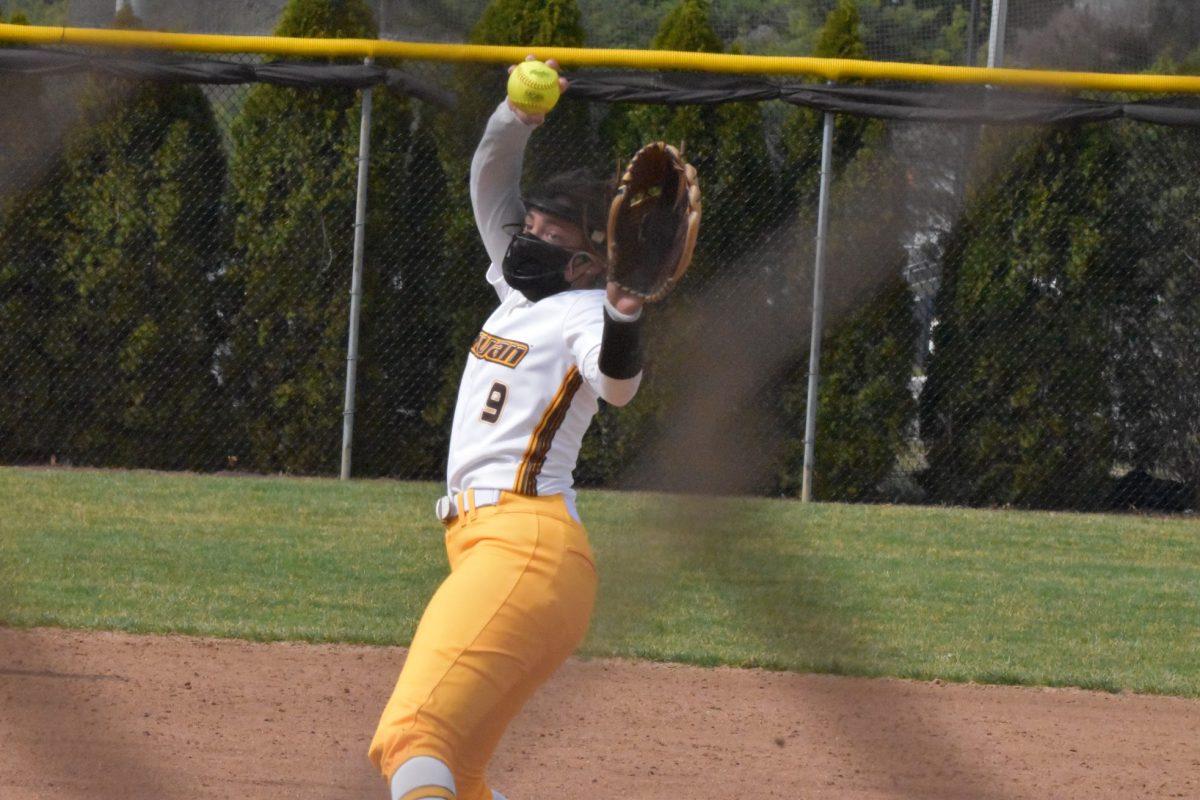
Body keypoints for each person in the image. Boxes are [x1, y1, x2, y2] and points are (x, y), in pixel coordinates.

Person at [368, 57, 649, 800]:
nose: (526, 236)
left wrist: (625, 313)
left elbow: (618, 387)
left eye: (547, 234)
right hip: (495, 549)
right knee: (460, 771)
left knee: (413, 737)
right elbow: (489, 180)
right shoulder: (520, 290)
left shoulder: (587, 312)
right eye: (528, 225)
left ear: (588, 262)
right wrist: (517, 118)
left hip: (526, 543)